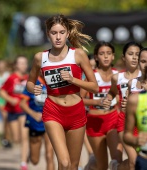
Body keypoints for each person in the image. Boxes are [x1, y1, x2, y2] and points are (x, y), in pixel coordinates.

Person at [26, 14, 99, 170]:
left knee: (72, 165)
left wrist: (74, 80)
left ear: (67, 34)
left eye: (61, 32)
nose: (58, 37)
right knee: (64, 162)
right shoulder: (40, 57)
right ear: (47, 34)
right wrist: (34, 88)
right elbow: (30, 83)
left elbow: (94, 87)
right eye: (54, 33)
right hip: (53, 111)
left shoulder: (78, 54)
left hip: (76, 112)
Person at [81, 41, 122, 170]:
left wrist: (118, 98)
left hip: (113, 119)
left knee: (117, 161)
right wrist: (97, 102)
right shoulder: (90, 76)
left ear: (113, 56)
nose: (105, 56)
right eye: (102, 54)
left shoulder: (119, 75)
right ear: (96, 57)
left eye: (108, 53)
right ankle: (89, 166)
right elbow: (78, 99)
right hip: (94, 121)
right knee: (101, 166)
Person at [103, 41, 143, 170]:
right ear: (124, 57)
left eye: (138, 54)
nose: (135, 57)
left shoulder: (145, 77)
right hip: (124, 122)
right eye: (131, 54)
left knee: (140, 162)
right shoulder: (117, 78)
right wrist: (108, 99)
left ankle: (117, 167)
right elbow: (112, 92)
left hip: (143, 122)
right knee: (133, 161)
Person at [20, 73, 55, 170]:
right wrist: (33, 114)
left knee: (49, 155)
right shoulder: (33, 83)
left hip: (51, 121)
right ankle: (29, 157)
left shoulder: (53, 81)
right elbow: (22, 104)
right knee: (34, 161)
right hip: (35, 123)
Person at [0, 56, 29, 170]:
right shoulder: (11, 78)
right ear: (16, 65)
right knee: (16, 138)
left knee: (24, 136)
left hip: (23, 110)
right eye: (21, 63)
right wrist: (10, 99)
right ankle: (24, 154)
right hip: (12, 111)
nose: (23, 65)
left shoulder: (28, 78)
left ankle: (23, 162)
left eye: (25, 63)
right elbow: (1, 91)